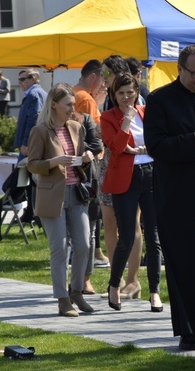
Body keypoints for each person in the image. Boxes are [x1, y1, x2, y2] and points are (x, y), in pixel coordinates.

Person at [145, 45, 195, 351]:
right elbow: (156, 146)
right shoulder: (159, 100)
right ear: (179, 70)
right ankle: (189, 330)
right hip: (177, 196)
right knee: (184, 264)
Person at [26, 83, 95, 317]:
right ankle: (62, 299)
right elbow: (32, 164)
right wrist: (55, 161)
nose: (72, 109)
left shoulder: (76, 127)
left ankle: (76, 291)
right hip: (51, 197)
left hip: (76, 193)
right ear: (54, 104)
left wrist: (86, 157)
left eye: (73, 105)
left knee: (84, 244)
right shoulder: (40, 131)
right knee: (60, 249)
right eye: (68, 105)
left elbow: (79, 157)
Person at [101, 72, 163, 313]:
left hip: (151, 174)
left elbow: (158, 141)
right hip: (124, 179)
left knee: (154, 238)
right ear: (113, 95)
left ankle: (154, 291)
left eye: (130, 92)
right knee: (126, 237)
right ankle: (114, 285)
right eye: (121, 93)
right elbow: (116, 148)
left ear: (137, 91)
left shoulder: (148, 113)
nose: (126, 97)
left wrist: (143, 149)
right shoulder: (108, 117)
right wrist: (126, 121)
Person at [72, 60, 110, 268]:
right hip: (93, 161)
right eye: (102, 79)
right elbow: (98, 130)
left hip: (82, 161)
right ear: (93, 77)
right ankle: (94, 253)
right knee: (93, 211)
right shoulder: (85, 99)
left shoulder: (75, 93)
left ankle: (94, 251)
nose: (104, 84)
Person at [14, 68, 47, 223]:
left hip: (29, 148)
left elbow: (33, 121)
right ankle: (31, 213)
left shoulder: (34, 95)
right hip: (32, 145)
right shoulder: (38, 94)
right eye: (19, 79)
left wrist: (27, 144)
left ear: (34, 78)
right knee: (30, 182)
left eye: (23, 79)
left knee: (28, 182)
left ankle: (34, 215)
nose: (20, 82)